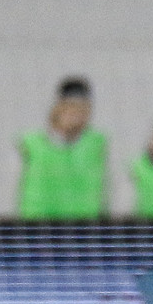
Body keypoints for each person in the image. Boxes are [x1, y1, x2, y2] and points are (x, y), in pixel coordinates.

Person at [17, 76, 108, 220]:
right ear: (57, 108)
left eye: (83, 109)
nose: (76, 115)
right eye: (71, 107)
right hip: (38, 228)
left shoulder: (97, 145)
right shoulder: (30, 145)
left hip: (84, 229)